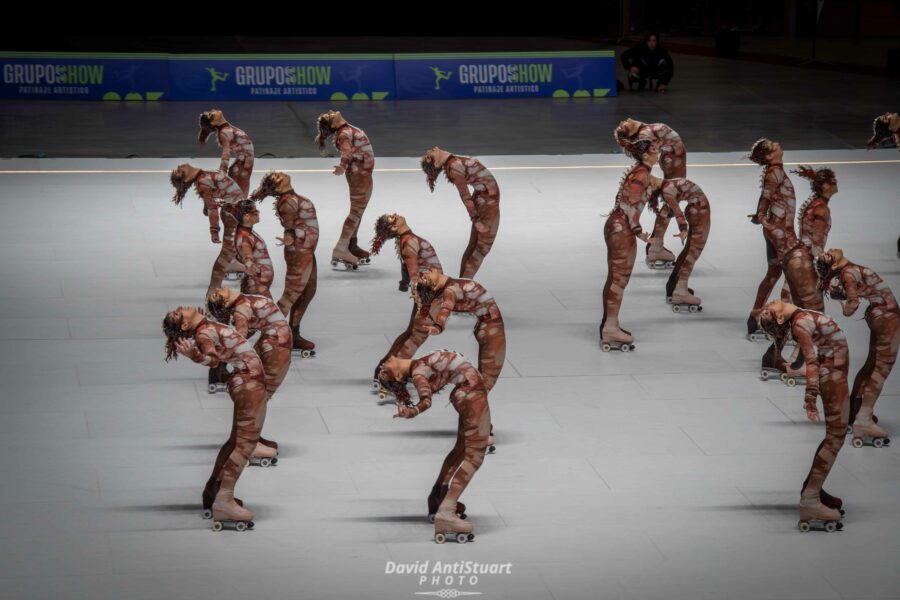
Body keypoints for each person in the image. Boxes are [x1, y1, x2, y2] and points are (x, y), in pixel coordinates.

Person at [379, 351, 491, 542]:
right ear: (398, 376)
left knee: (461, 449)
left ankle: (438, 497)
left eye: (382, 370)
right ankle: (446, 512)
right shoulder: (418, 372)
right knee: (475, 455)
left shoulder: (418, 365)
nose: (382, 366)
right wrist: (413, 411)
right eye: (384, 372)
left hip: (468, 394)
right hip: (471, 397)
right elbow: (426, 401)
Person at [421, 147, 500, 279]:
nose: (428, 151)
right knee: (481, 249)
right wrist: (475, 219)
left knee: (473, 247)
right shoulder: (454, 166)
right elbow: (465, 196)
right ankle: (463, 287)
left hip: (484, 200)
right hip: (487, 204)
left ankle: (461, 283)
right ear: (436, 163)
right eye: (428, 156)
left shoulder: (452, 162)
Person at [315, 110, 374, 269]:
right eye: (329, 115)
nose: (331, 112)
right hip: (358, 175)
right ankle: (341, 248)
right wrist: (342, 165)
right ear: (333, 124)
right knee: (355, 212)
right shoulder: (343, 134)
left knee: (358, 212)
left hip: (363, 174)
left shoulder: (346, 129)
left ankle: (351, 245)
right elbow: (346, 152)